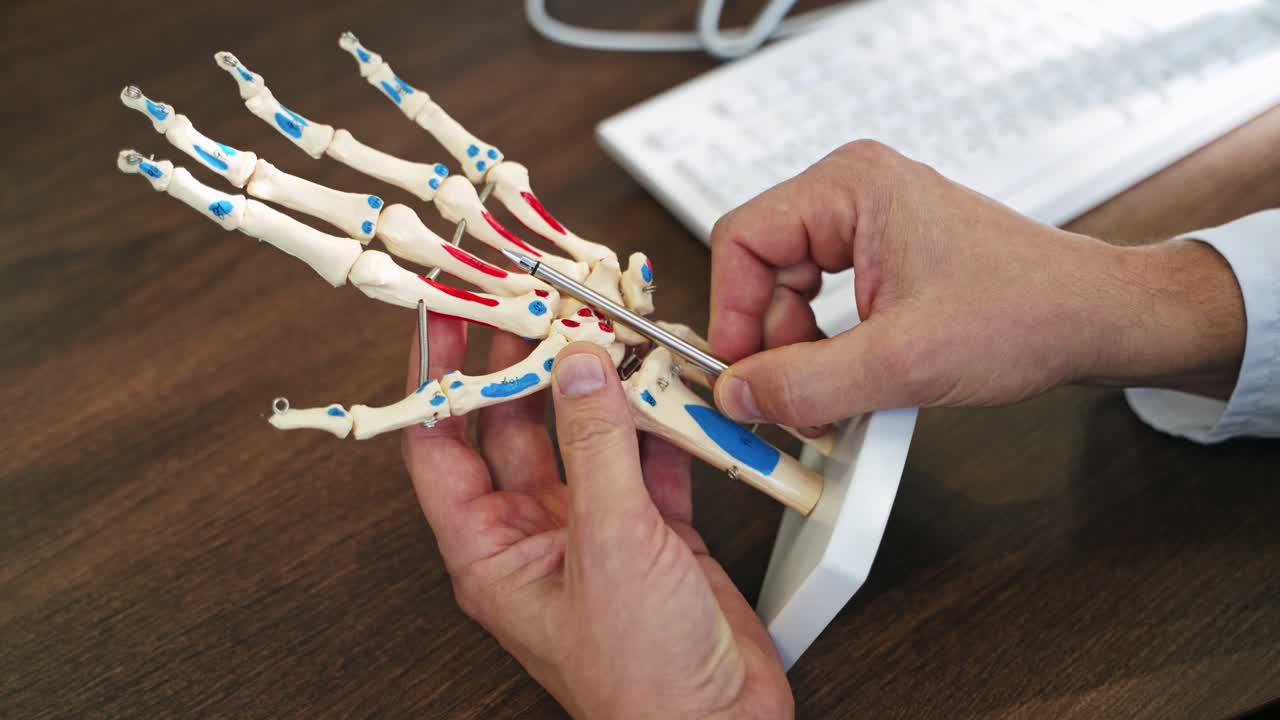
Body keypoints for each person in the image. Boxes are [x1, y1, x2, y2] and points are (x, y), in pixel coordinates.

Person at [401, 141, 1278, 718]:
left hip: (662, 371)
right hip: (655, 387)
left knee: (758, 431)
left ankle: (804, 470)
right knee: (752, 444)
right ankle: (801, 473)